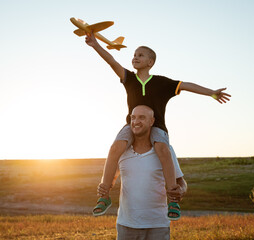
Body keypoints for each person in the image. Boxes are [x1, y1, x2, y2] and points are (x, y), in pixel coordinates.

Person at [85, 32, 231, 219]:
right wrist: (95, 45)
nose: (135, 57)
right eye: (134, 55)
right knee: (115, 147)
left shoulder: (162, 83)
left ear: (150, 62)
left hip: (158, 127)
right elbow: (111, 61)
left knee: (163, 149)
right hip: (132, 125)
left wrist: (211, 92)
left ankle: (173, 199)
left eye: (140, 55)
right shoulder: (128, 79)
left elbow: (186, 85)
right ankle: (104, 195)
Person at [99, 105, 187, 240]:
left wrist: (181, 190)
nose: (136, 121)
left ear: (152, 121)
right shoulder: (122, 150)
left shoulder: (165, 150)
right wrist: (104, 187)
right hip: (126, 225)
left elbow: (181, 181)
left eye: (142, 117)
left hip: (158, 225)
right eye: (133, 118)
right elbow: (112, 178)